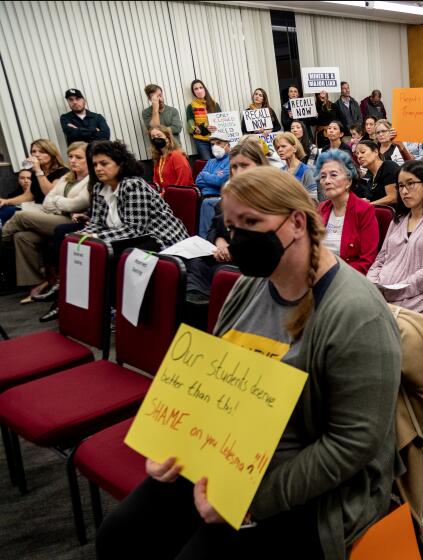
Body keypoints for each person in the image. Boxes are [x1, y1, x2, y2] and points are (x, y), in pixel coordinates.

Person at [95, 165, 401, 560]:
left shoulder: (356, 313)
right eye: (233, 226)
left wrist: (252, 502)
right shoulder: (251, 284)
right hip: (227, 457)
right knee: (119, 537)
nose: (238, 239)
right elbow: (214, 381)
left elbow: (353, 444)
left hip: (310, 486)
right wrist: (174, 446)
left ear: (295, 222)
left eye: (252, 222)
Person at [1, 142, 90, 299]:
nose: (73, 160)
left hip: (73, 221)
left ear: (88, 159)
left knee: (21, 216)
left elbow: (78, 203)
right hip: (55, 215)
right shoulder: (67, 177)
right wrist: (61, 203)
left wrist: (58, 202)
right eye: (70, 157)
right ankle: (37, 283)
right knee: (22, 237)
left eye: (78, 157)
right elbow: (47, 200)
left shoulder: (90, 179)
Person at [184, 141, 270, 303]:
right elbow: (214, 228)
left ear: (259, 166)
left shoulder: (269, 196)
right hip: (224, 257)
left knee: (217, 274)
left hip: (254, 262)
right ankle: (196, 309)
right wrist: (220, 241)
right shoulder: (229, 196)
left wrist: (234, 249)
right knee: (191, 263)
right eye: (234, 167)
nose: (238, 172)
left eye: (244, 166)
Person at [367, 159, 423, 312]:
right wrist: (371, 284)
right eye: (400, 186)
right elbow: (381, 258)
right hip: (380, 296)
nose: (404, 191)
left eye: (410, 183)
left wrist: (394, 291)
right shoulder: (398, 220)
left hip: (413, 301)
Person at [81, 140, 188, 250]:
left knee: (106, 253)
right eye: (95, 164)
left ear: (120, 164)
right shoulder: (99, 188)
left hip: (163, 239)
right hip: (131, 241)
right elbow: (96, 223)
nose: (98, 168)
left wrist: (96, 237)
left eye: (104, 164)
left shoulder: (133, 185)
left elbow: (134, 230)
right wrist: (80, 236)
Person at [316, 150, 378, 274]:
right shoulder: (322, 208)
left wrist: (334, 275)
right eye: (323, 176)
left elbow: (366, 260)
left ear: (349, 181)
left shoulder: (364, 211)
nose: (327, 181)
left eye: (333, 175)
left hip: (347, 277)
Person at [0, 140, 69, 219]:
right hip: (36, 207)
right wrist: (6, 201)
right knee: (3, 209)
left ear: (51, 154)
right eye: (34, 151)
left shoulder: (63, 172)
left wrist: (38, 170)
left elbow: (50, 194)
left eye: (42, 152)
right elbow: (28, 196)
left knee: (9, 213)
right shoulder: (36, 172)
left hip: (53, 211)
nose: (36, 155)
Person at [196, 132, 232, 238]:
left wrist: (206, 175)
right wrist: (213, 178)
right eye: (212, 144)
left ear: (228, 145)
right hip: (204, 198)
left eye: (218, 143)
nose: (215, 146)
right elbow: (198, 181)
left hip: (220, 199)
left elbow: (220, 181)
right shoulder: (210, 162)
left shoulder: (231, 160)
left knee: (212, 233)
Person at [273, 132, 317, 200]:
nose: (280, 150)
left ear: (294, 148)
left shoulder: (306, 171)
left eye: (283, 146)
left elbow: (314, 201)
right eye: (278, 147)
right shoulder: (280, 172)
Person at [355, 140, 399, 206]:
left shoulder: (388, 166)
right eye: (357, 154)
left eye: (363, 152)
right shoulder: (370, 177)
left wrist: (368, 204)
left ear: (375, 152)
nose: (359, 156)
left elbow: (393, 197)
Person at [150, 126, 194, 192]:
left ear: (167, 138)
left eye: (159, 135)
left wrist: (168, 194)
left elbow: (183, 180)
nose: (156, 138)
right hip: (165, 195)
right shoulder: (158, 157)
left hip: (181, 193)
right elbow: (156, 181)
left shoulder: (176, 155)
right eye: (153, 137)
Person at [186, 79, 221, 161]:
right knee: (207, 164)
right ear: (193, 92)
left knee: (220, 164)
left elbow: (221, 122)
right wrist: (204, 128)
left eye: (201, 87)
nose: (199, 90)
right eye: (196, 89)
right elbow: (191, 128)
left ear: (204, 88)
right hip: (201, 142)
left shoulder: (214, 104)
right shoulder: (191, 106)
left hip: (216, 140)